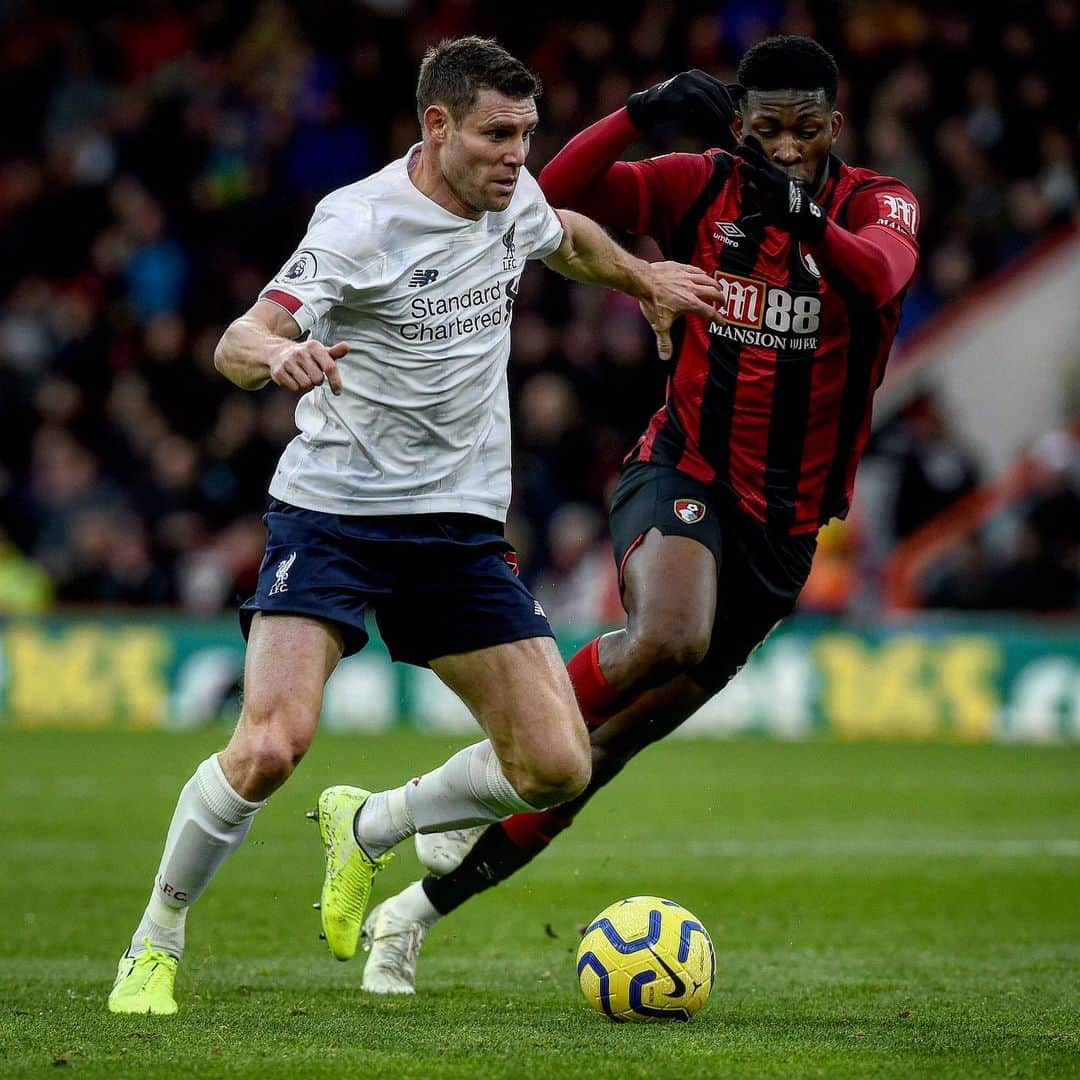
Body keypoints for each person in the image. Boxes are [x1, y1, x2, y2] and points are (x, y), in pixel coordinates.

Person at [107, 35, 723, 1015]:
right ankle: (155, 941)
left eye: (525, 134)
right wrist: (276, 360)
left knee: (557, 768)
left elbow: (565, 234)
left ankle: (368, 826)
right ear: (436, 126)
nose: (515, 155)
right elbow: (241, 337)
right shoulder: (358, 222)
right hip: (334, 513)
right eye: (494, 135)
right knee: (271, 745)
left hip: (456, 530)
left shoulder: (509, 197)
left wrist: (644, 280)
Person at [356, 35, 922, 994]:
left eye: (808, 128)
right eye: (768, 129)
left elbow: (877, 278)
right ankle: (477, 778)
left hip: (785, 533)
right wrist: (638, 111)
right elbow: (560, 191)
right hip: (684, 468)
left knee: (598, 759)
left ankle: (409, 912)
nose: (788, 148)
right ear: (740, 123)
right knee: (664, 637)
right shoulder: (702, 182)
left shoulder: (877, 201)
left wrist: (803, 215)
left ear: (836, 122)